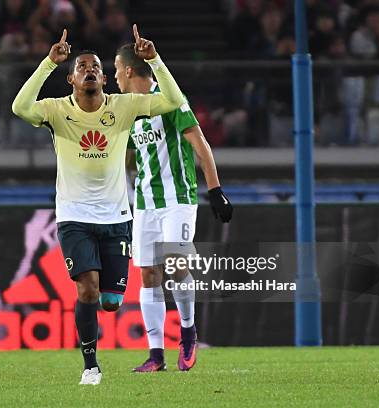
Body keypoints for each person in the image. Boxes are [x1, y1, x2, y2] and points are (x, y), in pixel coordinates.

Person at [12, 25, 187, 385]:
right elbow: (19, 106)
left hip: (116, 219)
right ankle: (90, 366)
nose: (88, 69)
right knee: (87, 288)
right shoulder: (57, 110)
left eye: (94, 66)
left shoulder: (124, 107)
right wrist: (47, 63)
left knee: (110, 301)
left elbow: (172, 100)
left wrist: (153, 60)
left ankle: (98, 336)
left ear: (104, 78)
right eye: (81, 67)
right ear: (71, 80)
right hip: (73, 217)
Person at [114, 44, 233, 372]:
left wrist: (216, 190)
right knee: (148, 274)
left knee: (177, 264)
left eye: (115, 69)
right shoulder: (128, 110)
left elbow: (200, 144)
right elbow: (128, 158)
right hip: (146, 203)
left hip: (178, 199)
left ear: (128, 70)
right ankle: (156, 354)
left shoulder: (170, 100)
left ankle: (188, 332)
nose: (113, 77)